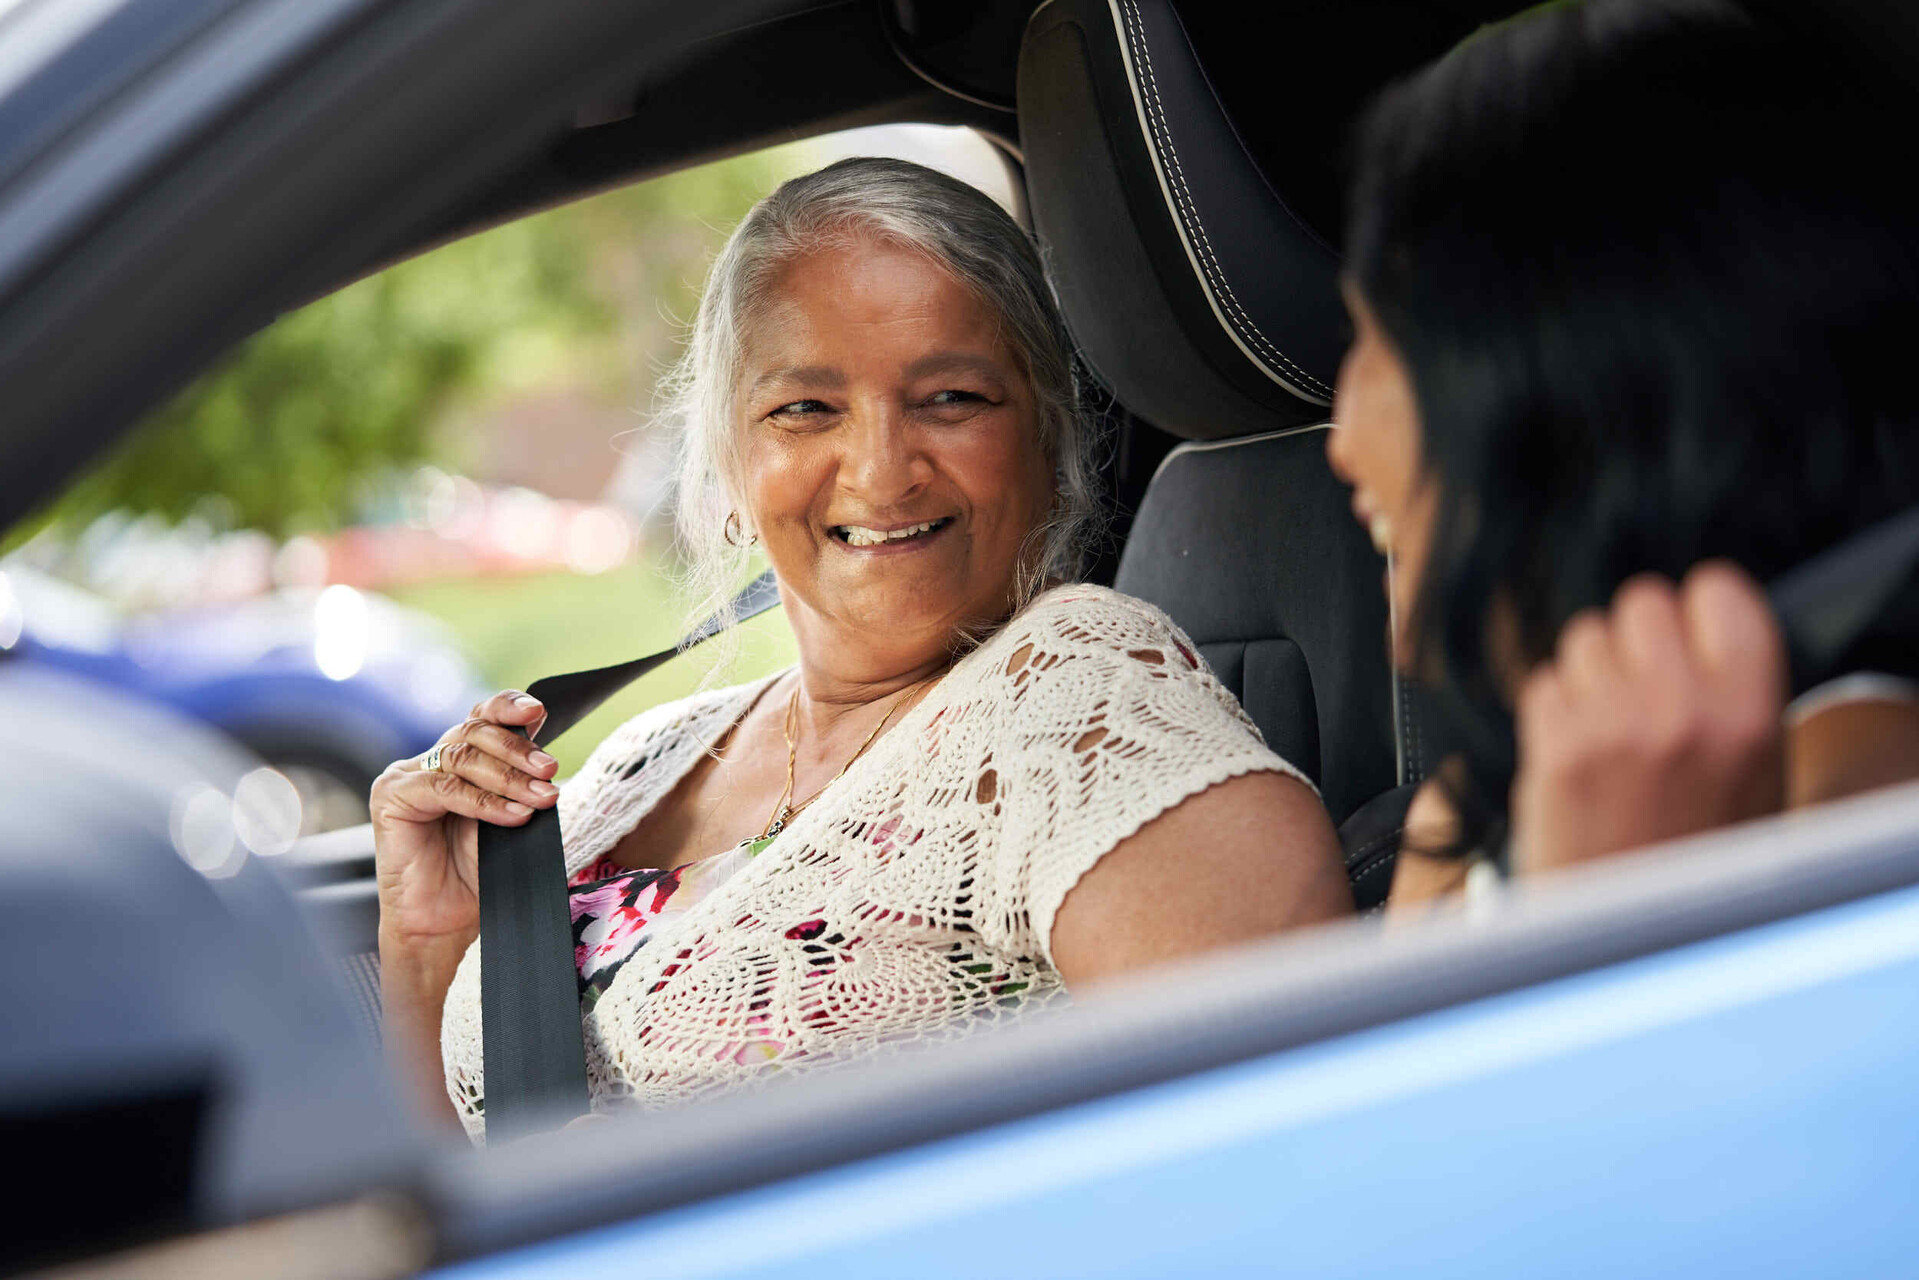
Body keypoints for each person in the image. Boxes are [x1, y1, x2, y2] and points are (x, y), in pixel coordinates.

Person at [374, 157, 1353, 1140]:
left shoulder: (1076, 692)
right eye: (804, 407)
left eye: (951, 398)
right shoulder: (649, 753)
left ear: (1046, 441)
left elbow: (1281, 1157)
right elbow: (458, 1181)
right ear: (727, 459)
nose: (883, 472)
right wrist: (429, 943)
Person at [1326, 0, 1919, 908]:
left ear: (1571, 390)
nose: (1340, 443)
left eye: (1381, 345)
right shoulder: (1462, 813)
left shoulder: (1868, 803)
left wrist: (1622, 902)